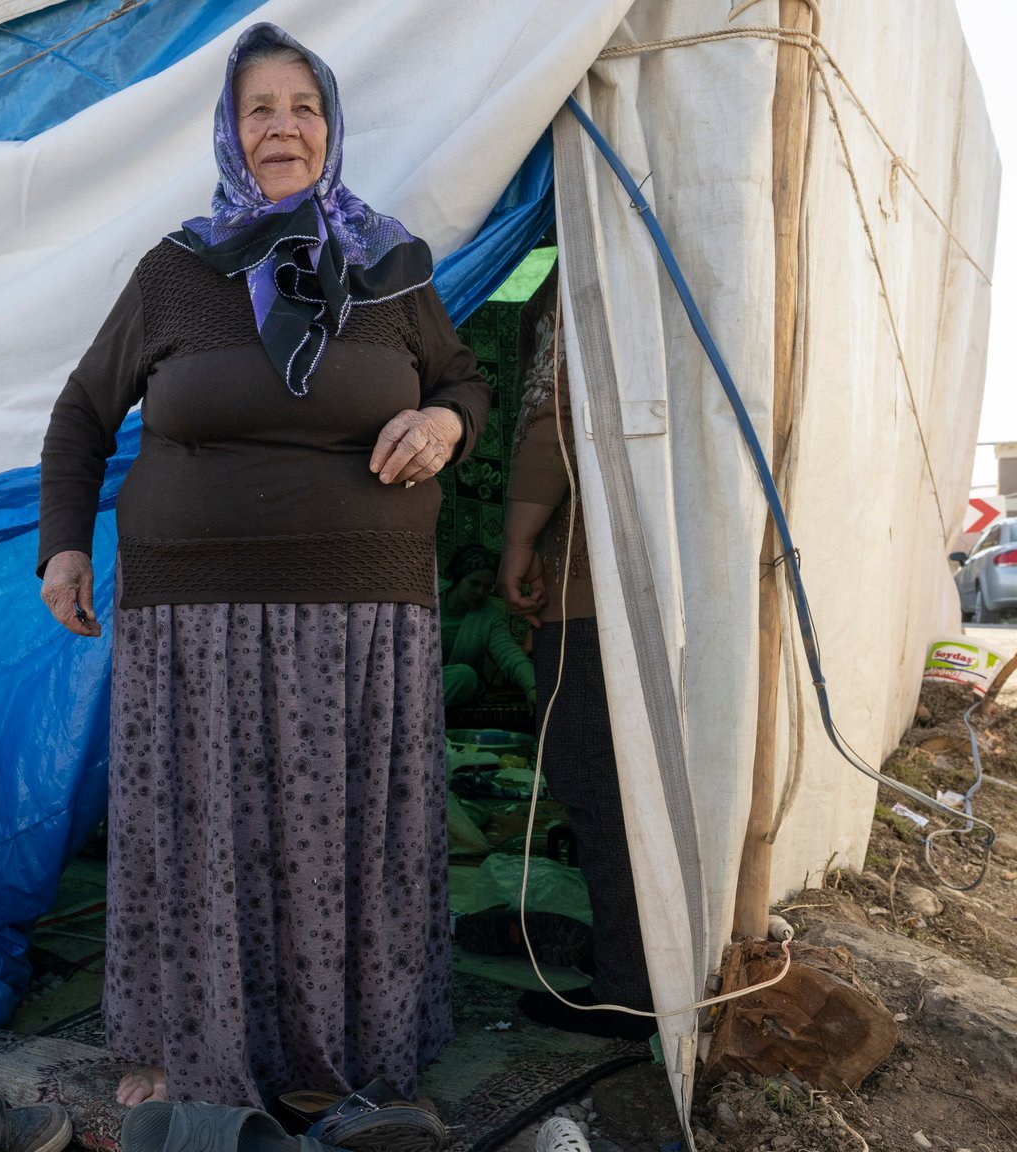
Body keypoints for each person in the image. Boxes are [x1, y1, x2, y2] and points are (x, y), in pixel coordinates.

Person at [36, 23, 491, 1110]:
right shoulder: (176, 269)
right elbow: (81, 412)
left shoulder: (386, 265)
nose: (280, 126)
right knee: (200, 833)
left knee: (340, 841)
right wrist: (60, 543)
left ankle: (340, 1050)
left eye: (302, 107)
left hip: (361, 608)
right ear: (229, 133)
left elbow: (466, 381)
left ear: (329, 128)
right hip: (191, 608)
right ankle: (190, 1044)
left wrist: (440, 422)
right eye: (258, 109)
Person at [496, 269, 656, 1040]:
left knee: (591, 770)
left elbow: (552, 417)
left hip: (595, 577)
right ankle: (645, 962)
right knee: (633, 781)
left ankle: (628, 985)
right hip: (664, 575)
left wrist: (519, 539)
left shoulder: (595, 267)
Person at [439, 544, 536, 710]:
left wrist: (532, 688)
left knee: (465, 677)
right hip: (412, 677)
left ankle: (416, 720)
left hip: (446, 684)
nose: (480, 592)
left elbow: (511, 656)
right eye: (474, 584)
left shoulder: (490, 616)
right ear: (458, 578)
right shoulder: (429, 594)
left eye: (487, 587)